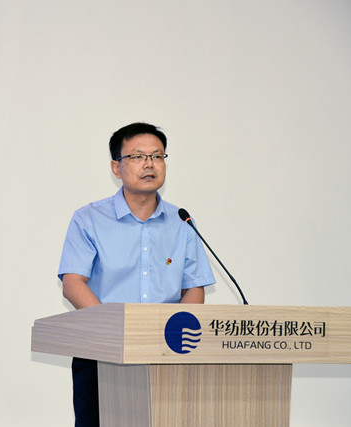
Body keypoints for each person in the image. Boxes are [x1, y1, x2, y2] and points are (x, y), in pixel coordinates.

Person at [57, 122, 216, 427]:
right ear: (116, 167)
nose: (149, 164)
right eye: (138, 156)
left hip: (166, 354)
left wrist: (178, 339)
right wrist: (115, 331)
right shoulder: (88, 219)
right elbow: (73, 283)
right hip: (101, 352)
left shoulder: (182, 222)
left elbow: (193, 288)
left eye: (157, 156)